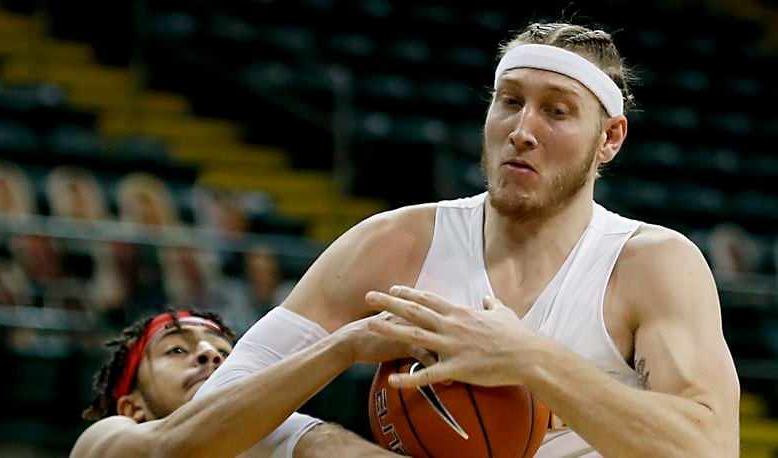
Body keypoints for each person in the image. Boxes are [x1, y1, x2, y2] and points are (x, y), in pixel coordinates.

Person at [196, 21, 740, 457]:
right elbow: (212, 408)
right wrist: (324, 441)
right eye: (509, 101)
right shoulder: (397, 242)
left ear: (610, 139)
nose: (522, 130)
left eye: (556, 111)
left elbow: (709, 447)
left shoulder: (652, 263)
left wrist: (530, 361)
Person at [71, 309, 412, 457]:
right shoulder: (104, 440)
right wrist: (345, 346)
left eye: (225, 354)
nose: (210, 355)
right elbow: (172, 449)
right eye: (176, 349)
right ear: (134, 407)